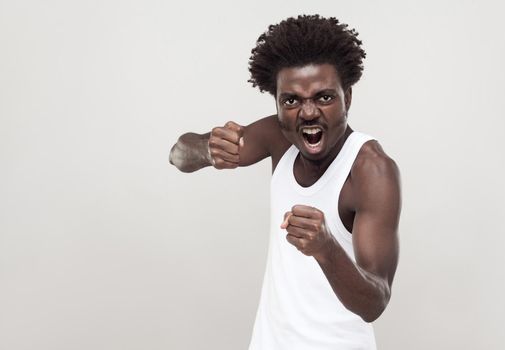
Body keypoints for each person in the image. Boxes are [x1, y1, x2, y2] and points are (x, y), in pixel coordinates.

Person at [169, 14, 401, 350]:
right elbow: (178, 155)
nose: (307, 112)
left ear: (347, 97)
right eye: (291, 100)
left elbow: (375, 302)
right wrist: (207, 149)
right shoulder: (279, 138)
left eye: (324, 97)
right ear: (278, 104)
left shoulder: (371, 171)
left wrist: (326, 249)